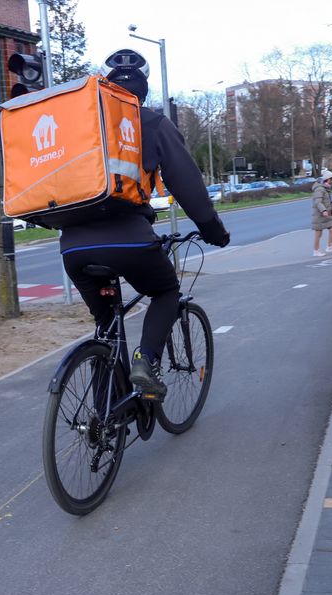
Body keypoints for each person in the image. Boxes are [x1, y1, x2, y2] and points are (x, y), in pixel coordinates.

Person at [59, 49, 229, 399]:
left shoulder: (78, 126)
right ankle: (145, 362)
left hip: (73, 246)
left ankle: (104, 421)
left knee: (106, 326)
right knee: (166, 292)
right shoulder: (150, 122)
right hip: (129, 239)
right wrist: (212, 227)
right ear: (144, 89)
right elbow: (187, 184)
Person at [311, 170, 332, 255]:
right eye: (331, 180)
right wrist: (323, 210)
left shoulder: (325, 188)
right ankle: (316, 251)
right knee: (318, 233)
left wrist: (330, 203)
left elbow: (324, 200)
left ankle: (330, 247)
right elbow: (318, 202)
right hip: (320, 214)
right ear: (327, 179)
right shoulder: (319, 189)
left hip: (326, 213)